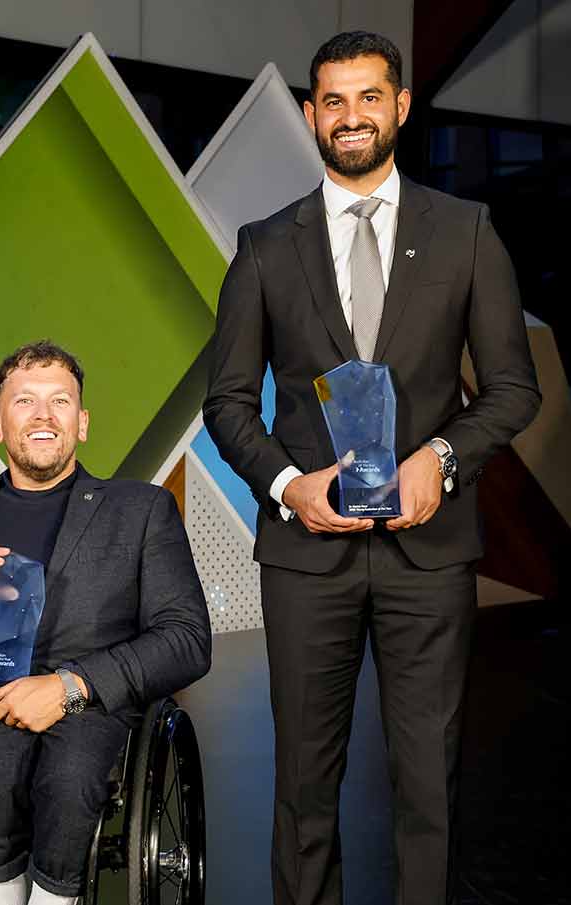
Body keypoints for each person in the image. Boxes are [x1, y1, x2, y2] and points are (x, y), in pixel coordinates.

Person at [202, 31, 542, 905]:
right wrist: (288, 486)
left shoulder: (466, 233)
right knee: (303, 789)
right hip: (306, 556)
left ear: (399, 106)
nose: (351, 116)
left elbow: (511, 388)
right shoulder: (267, 245)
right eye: (333, 101)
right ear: (313, 115)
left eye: (368, 97)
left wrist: (442, 457)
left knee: (428, 785)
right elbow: (228, 403)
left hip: (428, 556)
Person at [0, 341, 212, 905]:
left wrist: (69, 686)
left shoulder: (140, 510)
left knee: (72, 769)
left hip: (89, 704)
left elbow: (186, 640)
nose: (43, 415)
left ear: (82, 424)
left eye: (60, 401)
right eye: (24, 401)